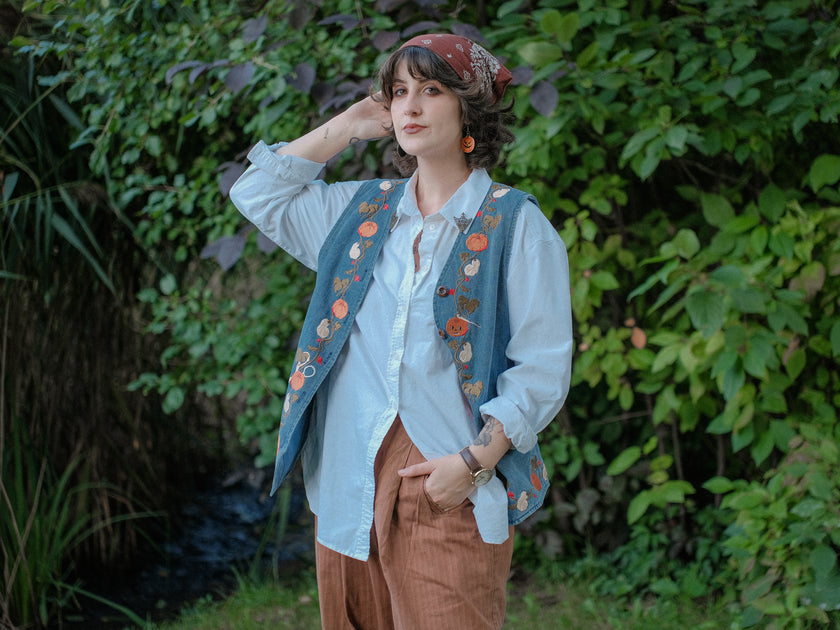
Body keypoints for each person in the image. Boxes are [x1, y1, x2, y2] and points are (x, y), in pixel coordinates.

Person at [230, 33, 573, 630]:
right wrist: (348, 125)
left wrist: (473, 463)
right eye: (398, 91)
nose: (409, 106)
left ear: (469, 108)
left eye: (431, 90)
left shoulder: (517, 224)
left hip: (448, 479)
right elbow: (255, 193)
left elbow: (542, 368)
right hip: (347, 480)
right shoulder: (359, 212)